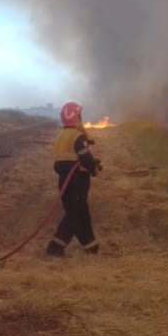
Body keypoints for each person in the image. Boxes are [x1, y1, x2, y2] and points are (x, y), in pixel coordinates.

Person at [46, 101, 101, 256]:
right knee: (75, 214)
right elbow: (84, 157)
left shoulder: (63, 135)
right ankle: (55, 247)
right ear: (76, 117)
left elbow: (61, 161)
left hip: (64, 180)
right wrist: (93, 167)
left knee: (80, 212)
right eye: (80, 115)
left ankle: (91, 246)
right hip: (78, 181)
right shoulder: (78, 136)